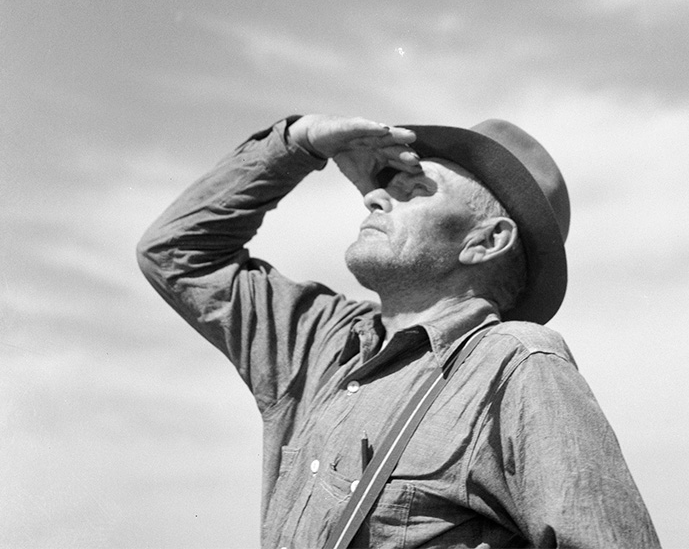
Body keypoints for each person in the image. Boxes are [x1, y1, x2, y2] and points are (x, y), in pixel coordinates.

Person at [137, 114, 661, 548]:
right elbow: (175, 255)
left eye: (414, 189)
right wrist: (298, 145)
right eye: (385, 184)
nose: (375, 198)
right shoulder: (321, 343)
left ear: (486, 240)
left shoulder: (515, 366)